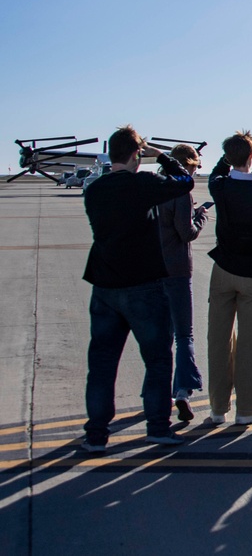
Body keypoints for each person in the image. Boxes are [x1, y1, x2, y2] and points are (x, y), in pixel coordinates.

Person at [81, 126, 194, 452]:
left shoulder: (95, 189)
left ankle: (96, 434)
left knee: (101, 365)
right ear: (136, 155)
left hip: (104, 285)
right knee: (158, 360)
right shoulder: (143, 183)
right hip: (143, 285)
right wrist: (162, 157)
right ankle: (158, 427)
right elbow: (185, 182)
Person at [206, 130, 252, 425]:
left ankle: (217, 407)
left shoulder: (220, 187)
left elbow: (216, 173)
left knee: (219, 339)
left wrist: (228, 158)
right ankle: (247, 409)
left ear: (227, 158)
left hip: (223, 268)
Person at [157, 143, 209, 422]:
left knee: (160, 337)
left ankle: (156, 392)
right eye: (194, 166)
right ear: (185, 165)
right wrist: (200, 217)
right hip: (177, 270)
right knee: (184, 334)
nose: (195, 172)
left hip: (154, 271)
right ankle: (183, 391)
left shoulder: (154, 189)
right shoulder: (181, 193)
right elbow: (186, 233)